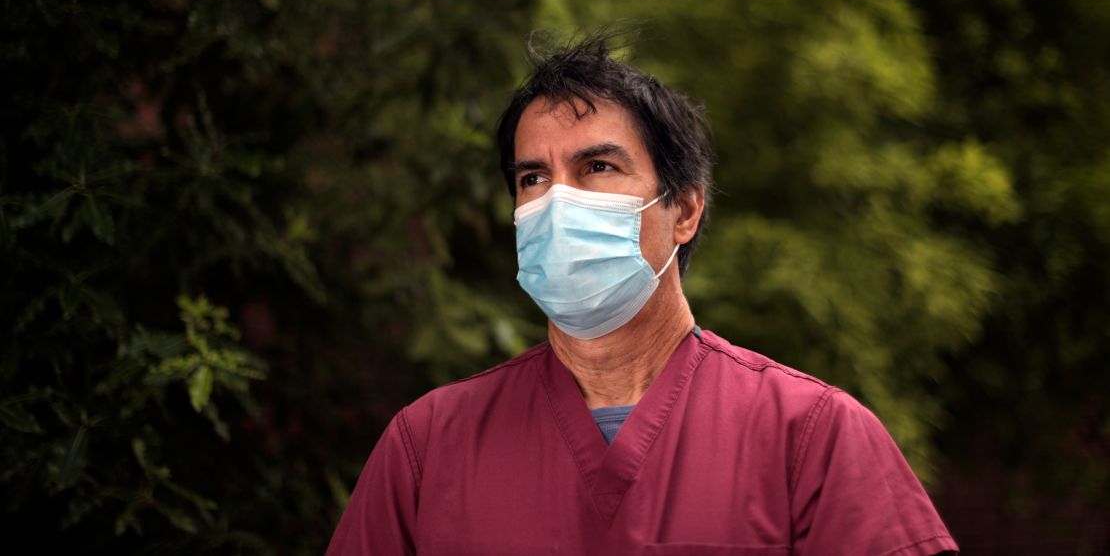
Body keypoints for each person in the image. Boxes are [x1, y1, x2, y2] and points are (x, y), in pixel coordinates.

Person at [326, 35, 958, 555]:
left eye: (597, 167)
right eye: (533, 177)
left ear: (684, 208)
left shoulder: (811, 439)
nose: (558, 201)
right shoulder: (429, 447)